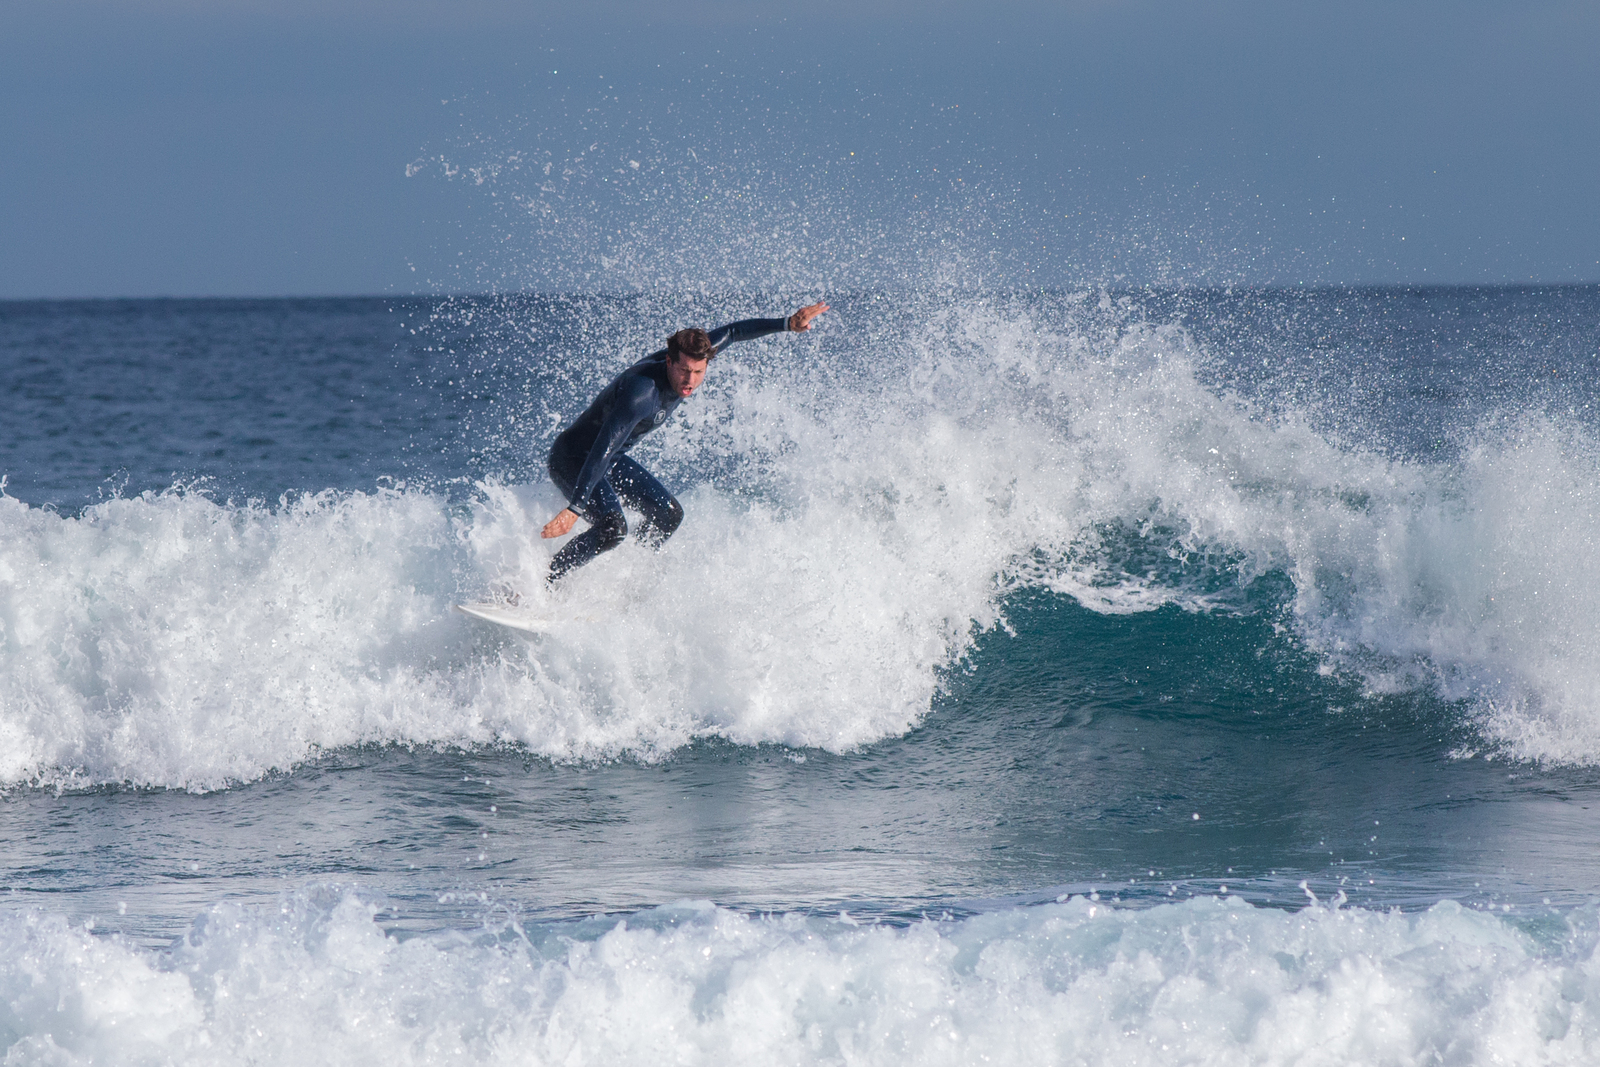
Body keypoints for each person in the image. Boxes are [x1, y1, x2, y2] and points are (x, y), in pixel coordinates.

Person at [540, 300, 830, 582]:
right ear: (669, 361)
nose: (689, 380)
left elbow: (734, 332)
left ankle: (626, 579)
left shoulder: (696, 359)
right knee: (613, 528)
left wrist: (787, 324)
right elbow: (602, 446)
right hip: (575, 458)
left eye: (698, 372)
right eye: (683, 371)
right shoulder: (641, 394)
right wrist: (574, 509)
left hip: (609, 459)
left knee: (668, 516)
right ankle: (545, 582)